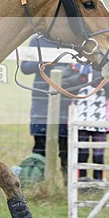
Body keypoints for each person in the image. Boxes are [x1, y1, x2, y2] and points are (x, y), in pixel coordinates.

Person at [19, 34, 85, 177]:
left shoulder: (76, 39)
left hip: (68, 102)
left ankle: (68, 185)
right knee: (40, 147)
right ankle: (37, 182)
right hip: (42, 101)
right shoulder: (38, 40)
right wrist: (49, 60)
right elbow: (25, 67)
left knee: (67, 148)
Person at [72, 64, 109, 181]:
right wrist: (80, 77)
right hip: (80, 119)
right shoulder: (76, 66)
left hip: (101, 120)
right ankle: (81, 179)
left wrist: (105, 81)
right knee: (82, 153)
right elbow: (65, 84)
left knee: (98, 154)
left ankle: (99, 180)